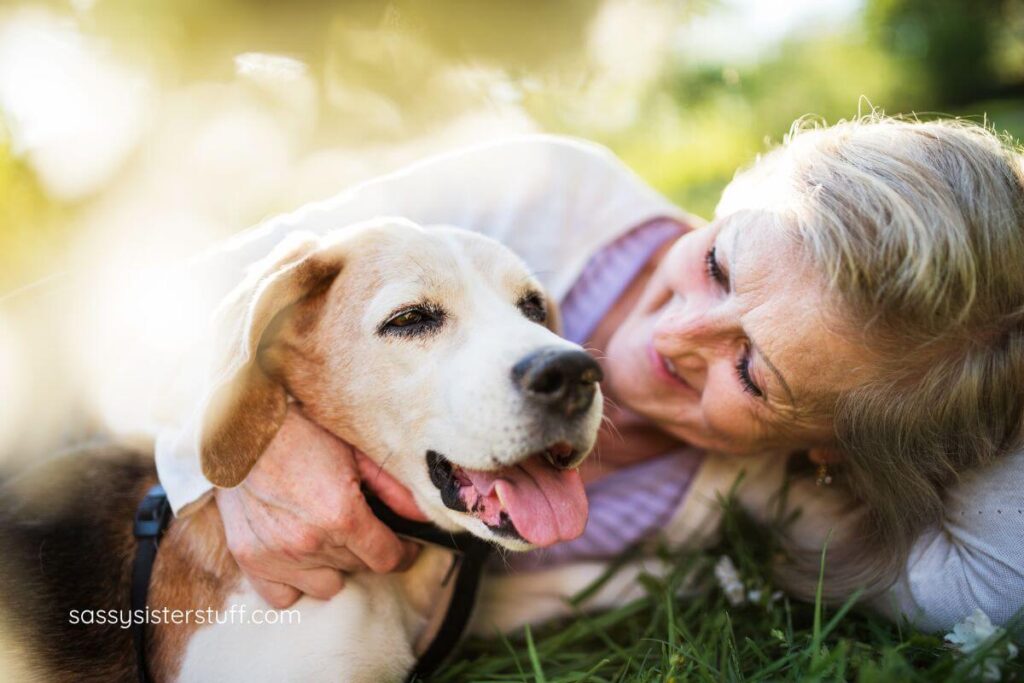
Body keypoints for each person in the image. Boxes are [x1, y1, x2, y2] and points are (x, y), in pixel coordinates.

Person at [153, 115, 1024, 633]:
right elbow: (153, 304)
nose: (673, 335)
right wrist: (230, 449)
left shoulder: (782, 490)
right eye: (718, 264)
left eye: (752, 373)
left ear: (829, 445)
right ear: (735, 195)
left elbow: (998, 582)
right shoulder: (544, 192)